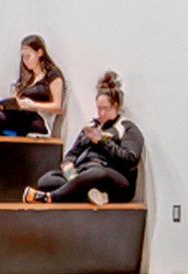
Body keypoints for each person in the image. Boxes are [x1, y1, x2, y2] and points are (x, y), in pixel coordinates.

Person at [24, 72, 144, 203]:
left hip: (111, 176)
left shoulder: (126, 128)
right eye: (99, 108)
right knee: (46, 180)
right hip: (83, 172)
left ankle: (49, 197)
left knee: (96, 173)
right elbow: (72, 154)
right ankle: (92, 195)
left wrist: (103, 141)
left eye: (106, 109)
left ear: (116, 106)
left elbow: (130, 160)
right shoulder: (91, 126)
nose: (101, 113)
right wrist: (68, 165)